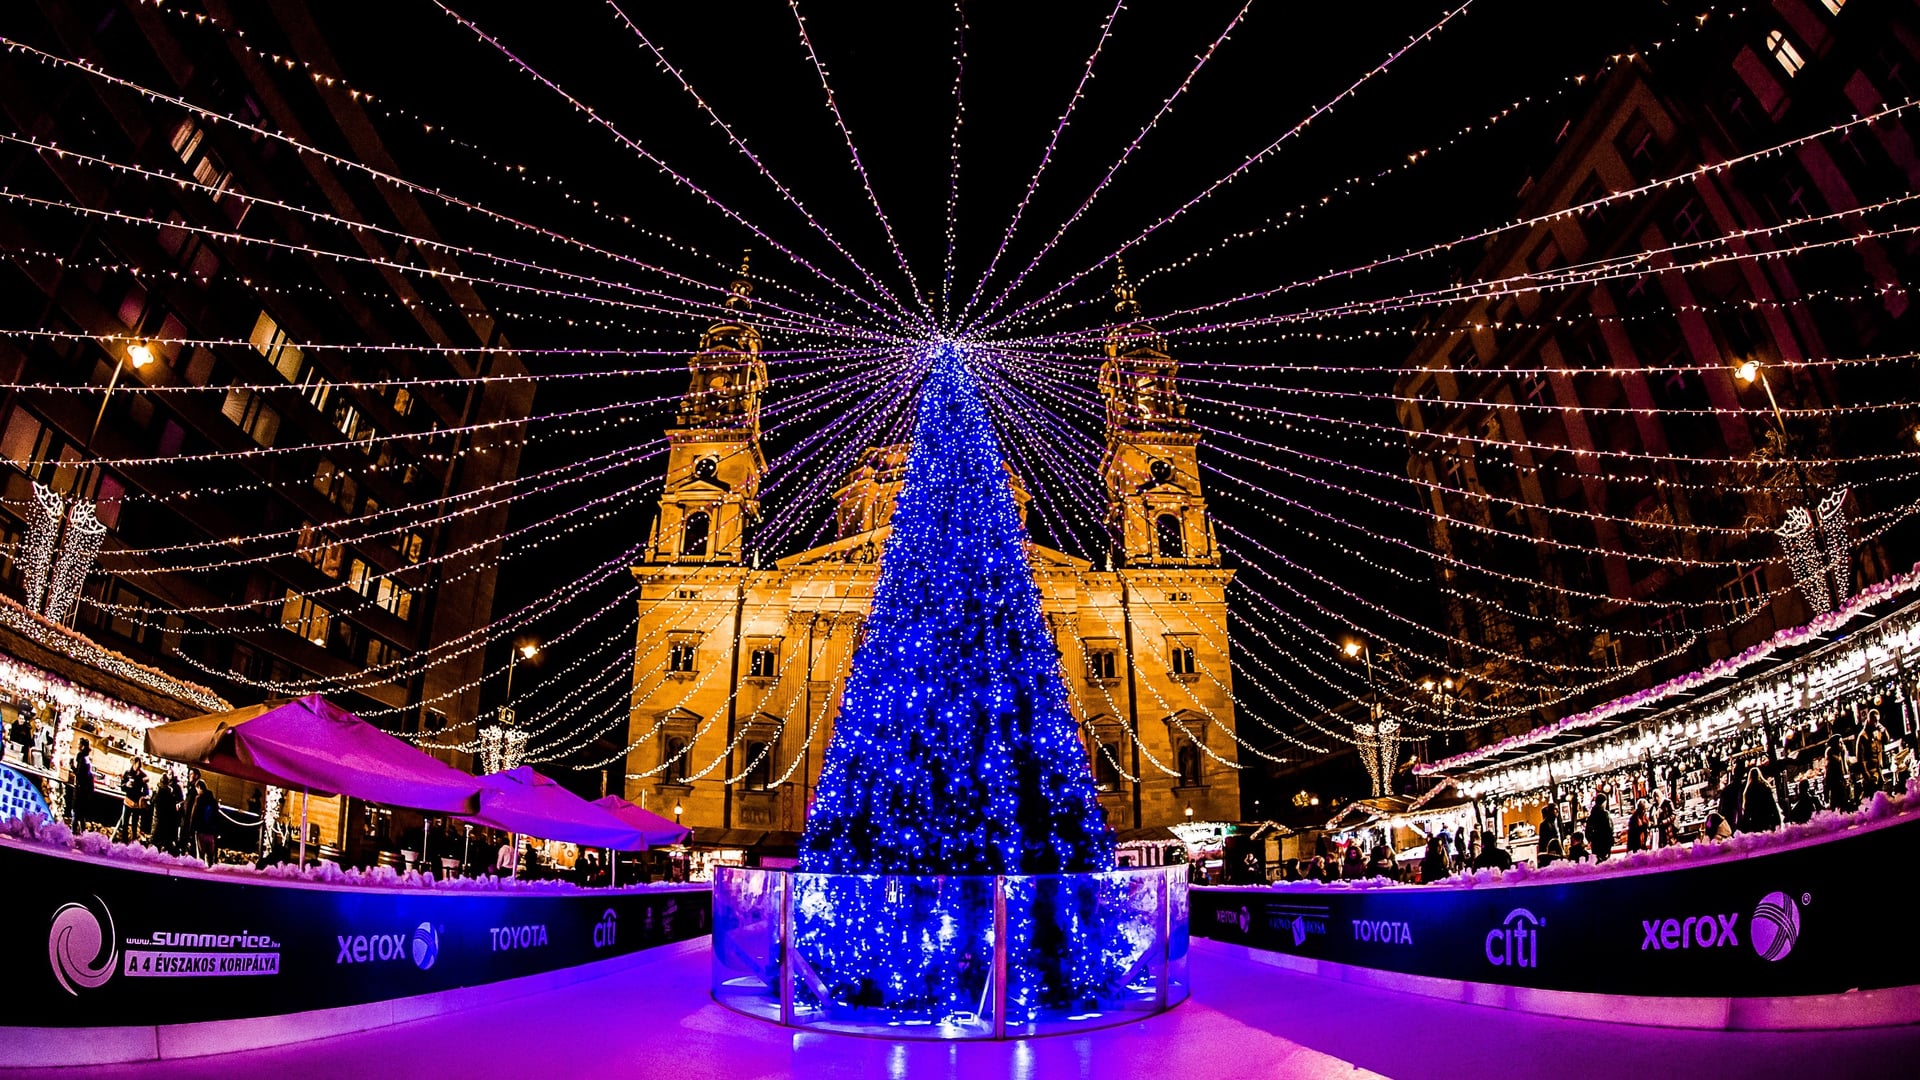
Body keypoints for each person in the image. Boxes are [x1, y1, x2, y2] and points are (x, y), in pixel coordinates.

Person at [1856, 710, 1888, 798]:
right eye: (1875, 721)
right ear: (1869, 720)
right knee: (1871, 799)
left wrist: (1884, 731)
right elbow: (1861, 760)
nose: (1876, 723)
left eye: (1878, 720)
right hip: (1870, 772)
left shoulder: (1877, 732)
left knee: (1881, 798)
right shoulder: (1862, 736)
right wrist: (1868, 777)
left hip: (1878, 769)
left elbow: (1886, 741)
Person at [1739, 767, 1782, 833]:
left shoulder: (1749, 790)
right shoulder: (1764, 787)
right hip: (1767, 817)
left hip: (1755, 819)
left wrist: (1744, 824)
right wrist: (1777, 820)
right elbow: (1772, 804)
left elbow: (1747, 808)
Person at [115, 765, 150, 844]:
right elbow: (122, 787)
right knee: (125, 823)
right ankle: (124, 841)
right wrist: (126, 785)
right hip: (128, 801)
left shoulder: (143, 776)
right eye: (136, 765)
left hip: (137, 803)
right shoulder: (128, 773)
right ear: (133, 764)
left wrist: (146, 795)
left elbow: (146, 789)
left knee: (134, 825)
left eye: (139, 765)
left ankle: (133, 843)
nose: (137, 767)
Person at [189, 779, 220, 864]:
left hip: (201, 830)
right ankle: (210, 874)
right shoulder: (213, 800)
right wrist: (216, 832)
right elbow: (217, 817)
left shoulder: (199, 798)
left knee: (201, 856)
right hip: (211, 832)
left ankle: (200, 874)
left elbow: (194, 815)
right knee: (210, 857)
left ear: (199, 787)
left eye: (197, 789)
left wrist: (191, 830)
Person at [1824, 740, 1858, 813]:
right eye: (1840, 742)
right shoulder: (1833, 759)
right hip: (1837, 786)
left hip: (1842, 784)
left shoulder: (1842, 754)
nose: (1842, 744)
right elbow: (1829, 776)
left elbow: (1849, 762)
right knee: (1840, 807)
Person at [151, 774, 182, 853]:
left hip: (157, 821)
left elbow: (152, 802)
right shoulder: (170, 794)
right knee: (164, 843)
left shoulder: (158, 793)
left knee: (156, 843)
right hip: (166, 823)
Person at [69, 740, 95, 828]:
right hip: (85, 789)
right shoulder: (86, 758)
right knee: (81, 813)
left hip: (81, 789)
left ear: (83, 746)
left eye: (79, 744)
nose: (78, 746)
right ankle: (82, 832)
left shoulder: (83, 759)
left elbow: (80, 774)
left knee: (76, 811)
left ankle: (74, 830)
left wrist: (72, 767)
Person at [1586, 790, 1615, 861]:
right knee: (1605, 862)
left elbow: (1588, 830)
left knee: (1597, 861)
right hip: (1604, 842)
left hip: (1595, 843)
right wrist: (1611, 840)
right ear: (1604, 802)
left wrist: (1590, 839)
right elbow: (1609, 828)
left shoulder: (1592, 815)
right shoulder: (1605, 814)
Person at [178, 768, 203, 852]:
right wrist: (181, 804)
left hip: (189, 820)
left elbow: (191, 805)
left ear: (196, 776)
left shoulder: (196, 789)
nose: (189, 776)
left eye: (191, 774)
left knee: (187, 842)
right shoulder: (191, 788)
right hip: (186, 819)